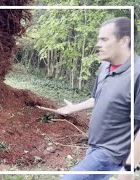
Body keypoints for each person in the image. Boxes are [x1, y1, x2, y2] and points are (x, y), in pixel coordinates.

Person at [59, 17, 140, 180]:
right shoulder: (104, 66)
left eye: (104, 39)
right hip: (94, 145)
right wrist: (73, 108)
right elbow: (97, 98)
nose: (98, 44)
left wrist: (130, 166)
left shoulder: (137, 74)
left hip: (111, 152)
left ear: (124, 40)